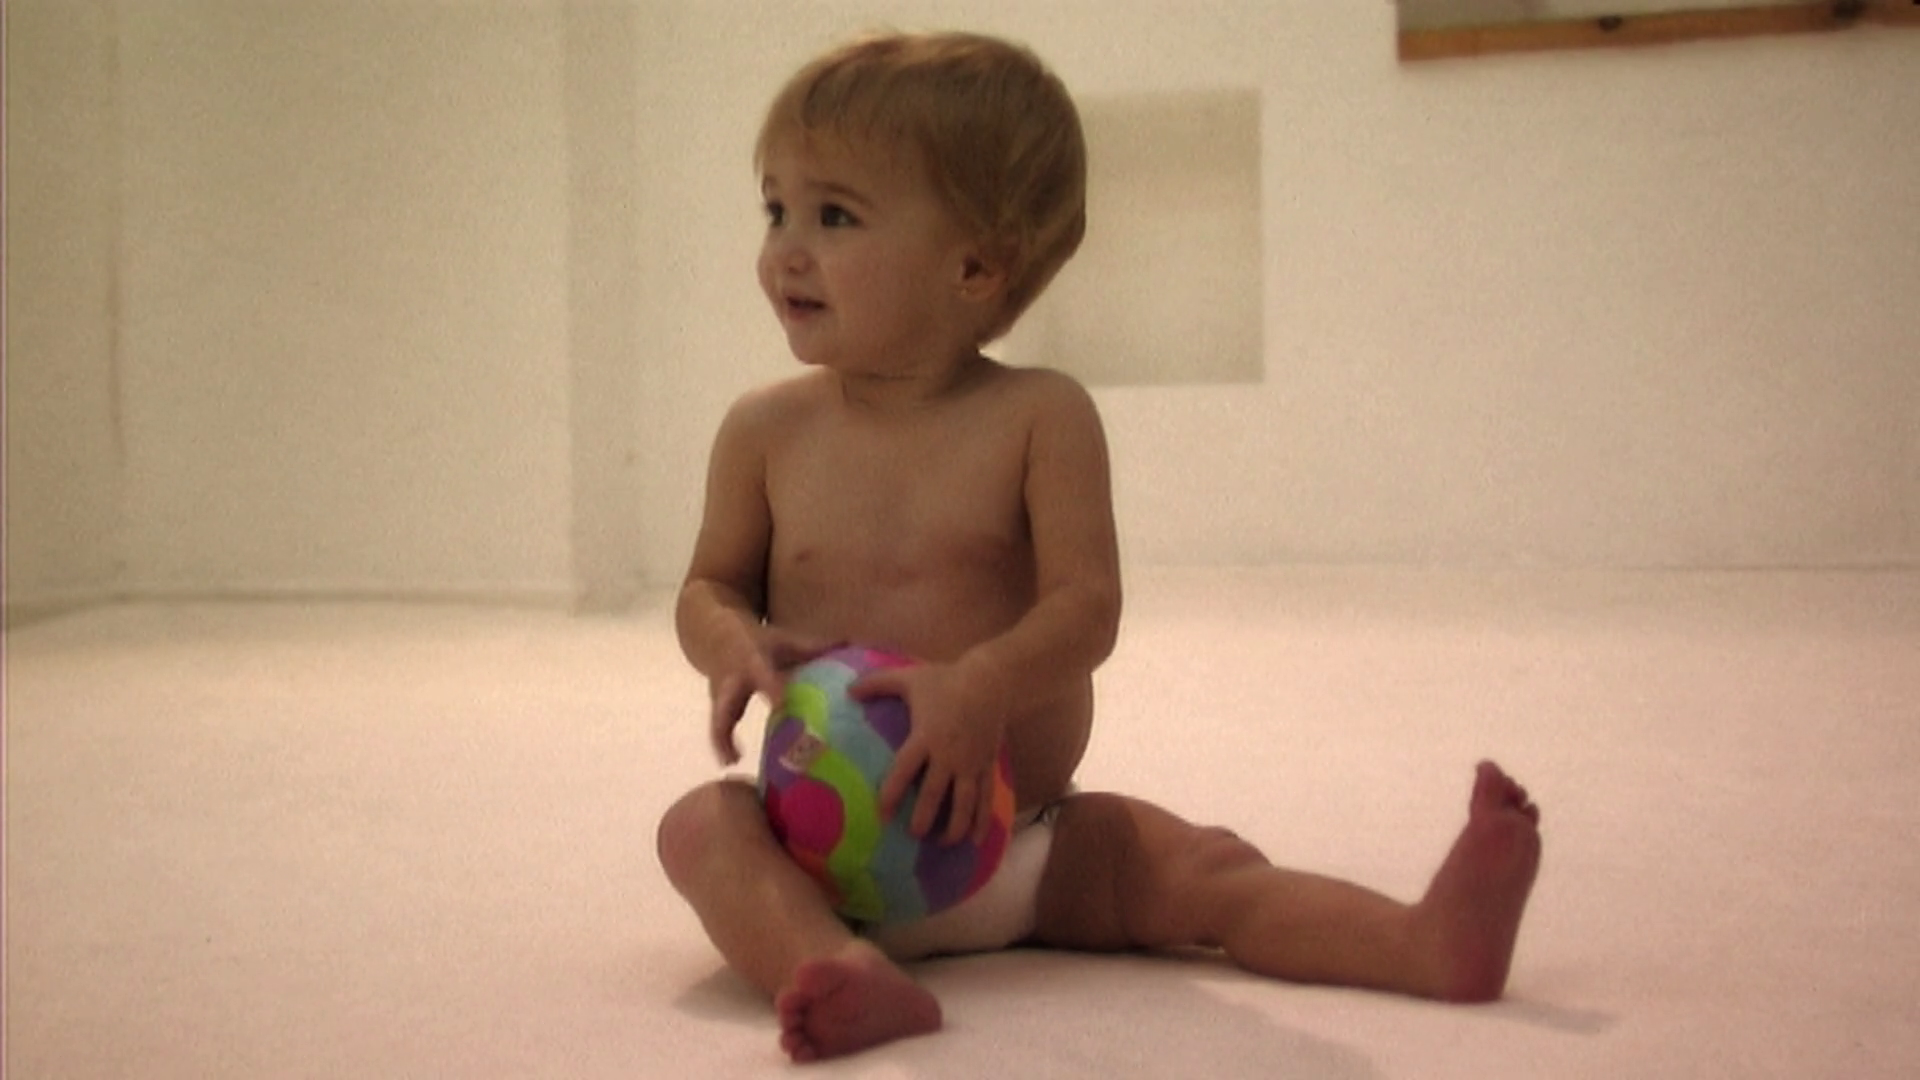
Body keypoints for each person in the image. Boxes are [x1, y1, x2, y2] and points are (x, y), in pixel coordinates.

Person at [655, 30, 1543, 1065]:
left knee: (1202, 869)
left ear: (975, 265)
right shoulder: (764, 433)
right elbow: (709, 586)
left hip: (1022, 837)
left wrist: (982, 686)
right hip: (820, 848)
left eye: (834, 216)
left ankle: (1424, 942)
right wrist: (729, 642)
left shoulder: (1039, 417)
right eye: (776, 209)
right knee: (700, 829)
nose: (786, 250)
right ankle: (838, 965)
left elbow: (1087, 611)